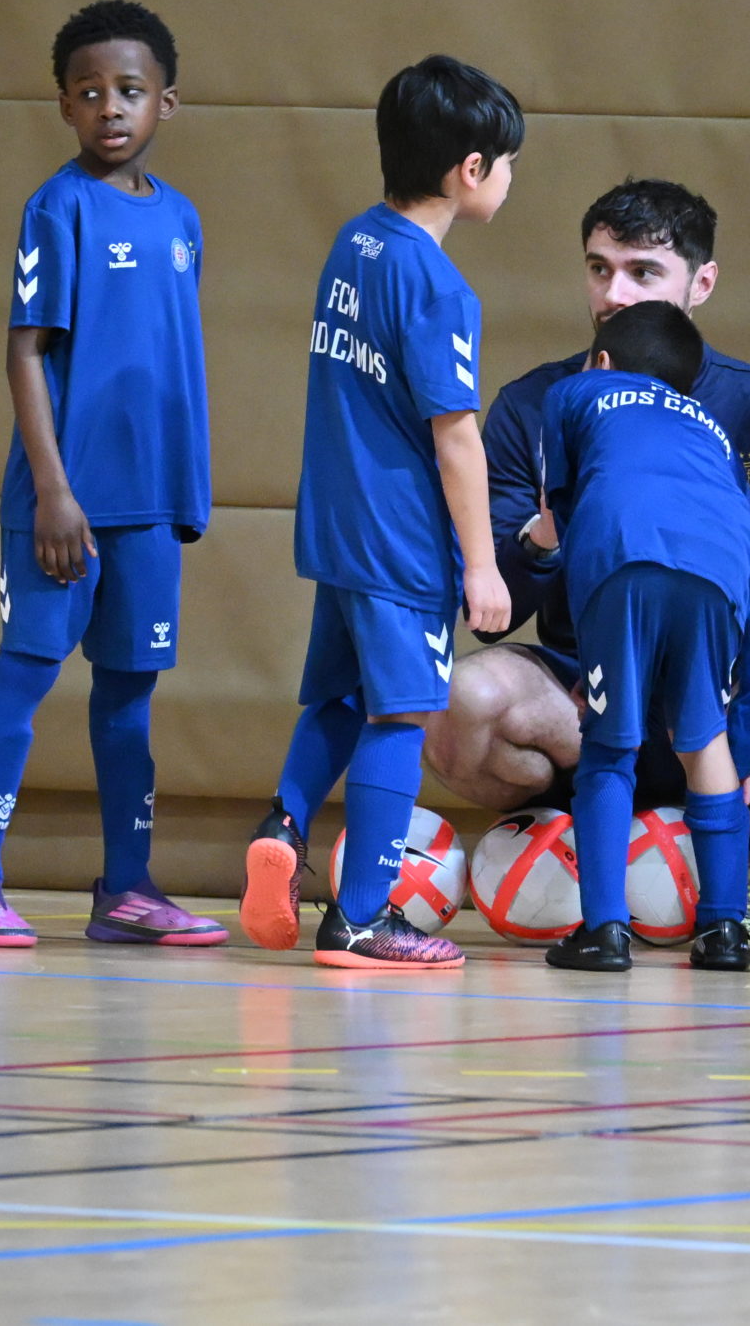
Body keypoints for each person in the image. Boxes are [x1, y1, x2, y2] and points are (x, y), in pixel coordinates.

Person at [430, 179, 750, 951]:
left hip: (719, 668)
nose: (615, 293)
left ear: (703, 282)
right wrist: (550, 531)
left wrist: (717, 520)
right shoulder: (541, 401)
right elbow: (492, 604)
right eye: (599, 268)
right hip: (585, 676)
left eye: (643, 272)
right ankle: (570, 847)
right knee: (462, 701)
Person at [0, 0, 224, 949]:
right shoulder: (55, 208)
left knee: (129, 696)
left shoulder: (181, 218)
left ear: (166, 103)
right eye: (89, 92)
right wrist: (55, 492)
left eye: (129, 91)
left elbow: (169, 362)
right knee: (25, 671)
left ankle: (126, 888)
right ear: (64, 105)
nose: (110, 107)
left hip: (149, 506)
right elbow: (25, 352)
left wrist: (182, 493)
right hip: (65, 503)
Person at [238, 54, 522, 971]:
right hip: (400, 541)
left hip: (335, 526)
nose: (509, 178)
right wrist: (482, 564)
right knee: (402, 715)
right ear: (469, 169)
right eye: (506, 162)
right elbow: (457, 439)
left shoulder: (352, 243)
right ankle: (360, 917)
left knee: (340, 694)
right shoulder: (438, 287)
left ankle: (283, 822)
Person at [533, 302, 750, 973]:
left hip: (623, 551)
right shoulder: (714, 431)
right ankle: (725, 930)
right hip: (722, 570)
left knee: (609, 744)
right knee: (705, 742)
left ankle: (605, 930)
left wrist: (591, 659)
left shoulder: (575, 393)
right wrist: (746, 743)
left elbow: (566, 507)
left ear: (601, 361)